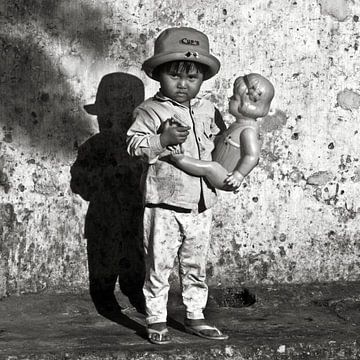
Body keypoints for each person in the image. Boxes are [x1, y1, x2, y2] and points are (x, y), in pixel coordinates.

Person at [126, 27, 229, 344]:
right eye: (175, 76)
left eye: (192, 78)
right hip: (164, 206)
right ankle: (156, 319)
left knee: (196, 265)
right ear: (158, 74)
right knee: (159, 265)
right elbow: (134, 145)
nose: (183, 85)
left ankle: (195, 315)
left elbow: (223, 146)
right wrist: (162, 140)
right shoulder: (150, 110)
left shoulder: (209, 110)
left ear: (202, 80)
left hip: (201, 205)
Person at [168, 73, 275, 192]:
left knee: (211, 167)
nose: (229, 99)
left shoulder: (248, 131)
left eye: (234, 98)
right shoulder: (238, 125)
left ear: (245, 105)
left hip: (226, 177)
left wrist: (238, 175)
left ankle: (181, 160)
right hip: (219, 163)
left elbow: (252, 156)